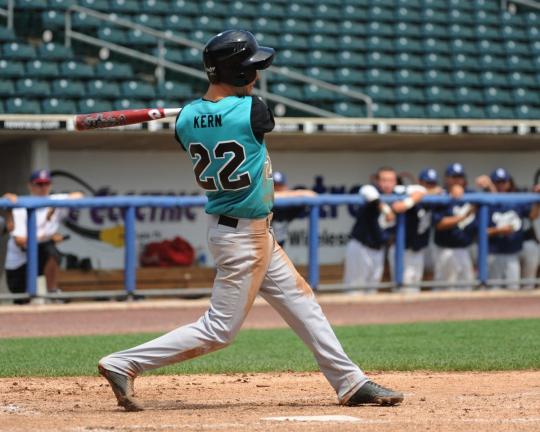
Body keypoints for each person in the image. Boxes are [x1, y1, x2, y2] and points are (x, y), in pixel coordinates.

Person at [98, 30, 403, 412]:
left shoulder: (186, 119)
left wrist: (207, 110)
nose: (257, 75)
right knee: (219, 331)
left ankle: (350, 381)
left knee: (303, 303)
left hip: (246, 232)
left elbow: (210, 116)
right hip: (242, 237)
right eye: (252, 68)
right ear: (237, 73)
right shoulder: (254, 110)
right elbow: (250, 113)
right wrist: (221, 107)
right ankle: (123, 362)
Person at [343, 166, 425, 293]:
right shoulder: (371, 189)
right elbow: (368, 192)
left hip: (379, 251)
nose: (387, 184)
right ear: (377, 180)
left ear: (395, 181)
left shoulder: (398, 192)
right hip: (361, 248)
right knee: (355, 291)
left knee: (372, 291)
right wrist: (386, 209)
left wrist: (406, 204)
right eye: (383, 180)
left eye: (391, 180)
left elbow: (421, 190)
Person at [4, 170, 83, 302]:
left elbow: (79, 195)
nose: (43, 187)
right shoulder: (21, 204)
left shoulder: (54, 200)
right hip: (19, 263)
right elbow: (20, 242)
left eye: (46, 183)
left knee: (52, 251)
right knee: (21, 303)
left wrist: (54, 206)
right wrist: (48, 237)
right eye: (39, 184)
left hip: (40, 257)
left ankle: (53, 292)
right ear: (30, 186)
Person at [476, 169, 540, 289]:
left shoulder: (515, 201)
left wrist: (538, 201)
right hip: (493, 254)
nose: (500, 185)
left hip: (512, 255)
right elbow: (480, 232)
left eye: (503, 182)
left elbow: (533, 215)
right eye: (497, 182)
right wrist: (499, 231)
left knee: (513, 290)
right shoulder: (485, 203)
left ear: (509, 183)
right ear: (491, 184)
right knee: (493, 291)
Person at [432, 163, 477, 290]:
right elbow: (439, 224)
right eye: (453, 177)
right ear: (447, 179)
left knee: (467, 287)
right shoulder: (441, 195)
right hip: (445, 249)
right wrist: (463, 217)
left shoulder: (471, 194)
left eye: (459, 177)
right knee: (445, 288)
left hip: (465, 248)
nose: (457, 180)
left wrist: (488, 187)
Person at [272, 170, 316, 248]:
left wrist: (288, 194)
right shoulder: (263, 200)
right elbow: (269, 196)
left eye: (280, 186)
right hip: (259, 244)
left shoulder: (288, 206)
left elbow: (312, 194)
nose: (277, 189)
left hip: (279, 244)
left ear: (285, 187)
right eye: (274, 186)